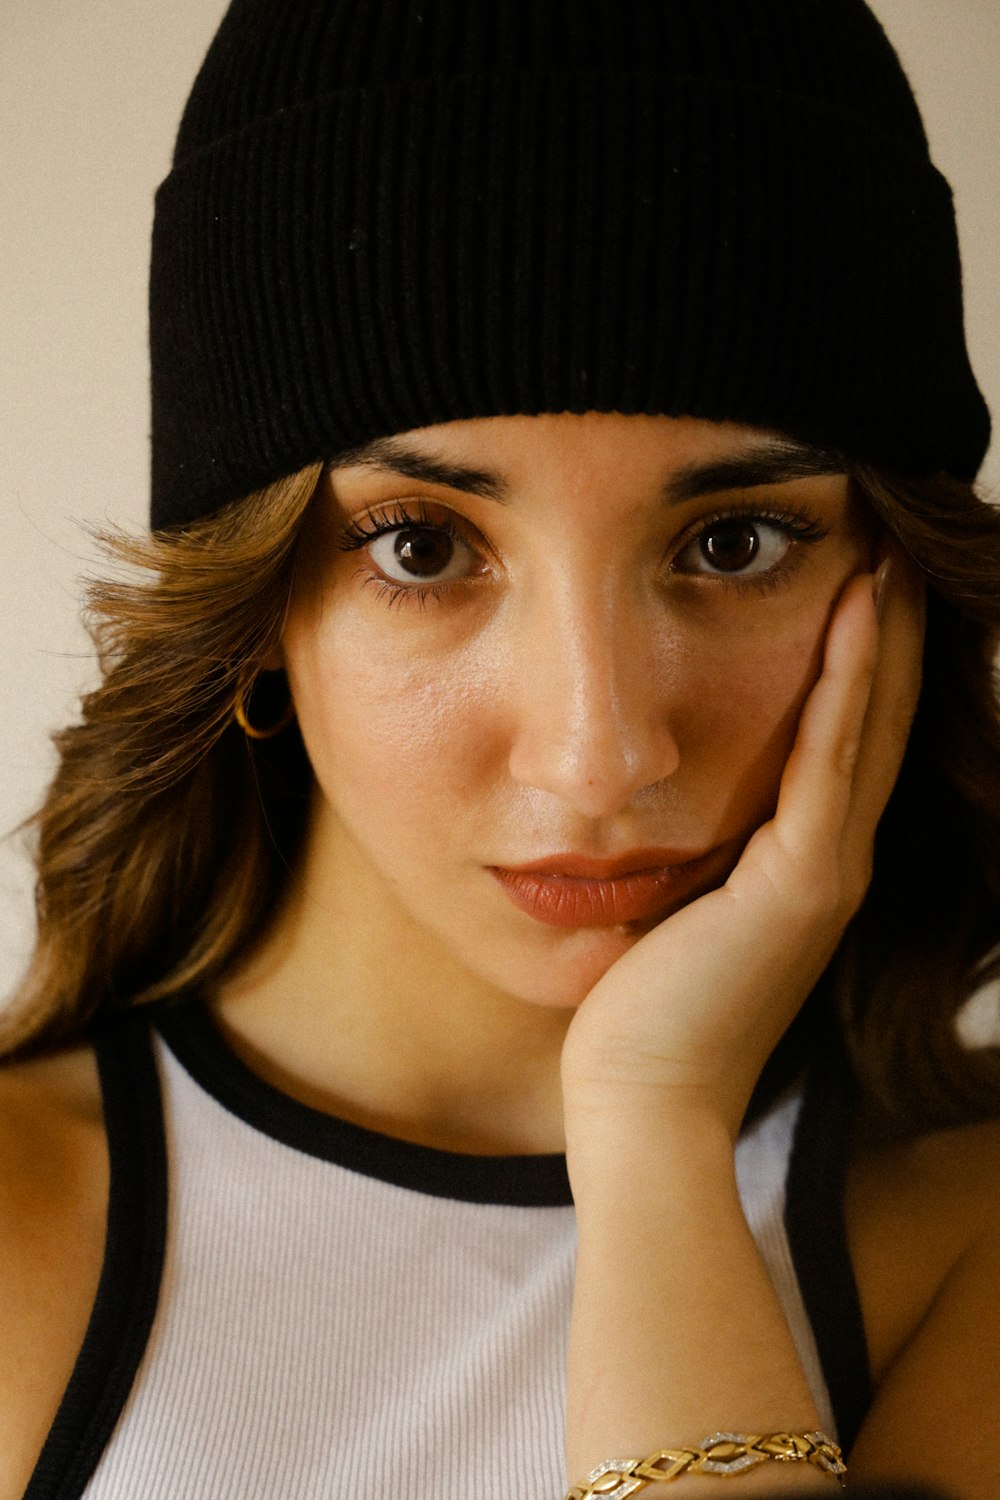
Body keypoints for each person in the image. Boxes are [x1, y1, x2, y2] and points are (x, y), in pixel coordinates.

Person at [1, 1, 999, 1497]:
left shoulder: (971, 1242)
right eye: (417, 547)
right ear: (258, 608)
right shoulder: (25, 1221)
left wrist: (656, 1132)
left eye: (733, 544)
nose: (600, 759)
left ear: (891, 586)